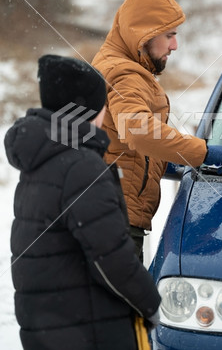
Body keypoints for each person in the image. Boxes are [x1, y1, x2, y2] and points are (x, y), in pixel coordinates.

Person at [4, 54, 161, 350]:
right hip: (89, 330)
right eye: (103, 106)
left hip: (47, 325)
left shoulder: (40, 161)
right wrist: (149, 304)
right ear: (89, 110)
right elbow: (112, 259)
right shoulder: (83, 168)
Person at [92, 0, 222, 261]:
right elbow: (139, 132)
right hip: (114, 221)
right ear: (142, 34)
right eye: (169, 35)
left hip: (106, 214)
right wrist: (202, 152)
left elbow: (119, 143)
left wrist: (166, 161)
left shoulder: (114, 64)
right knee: (124, 305)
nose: (175, 45)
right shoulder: (126, 74)